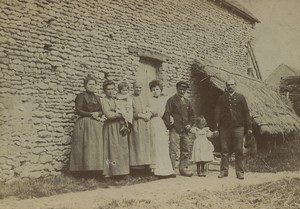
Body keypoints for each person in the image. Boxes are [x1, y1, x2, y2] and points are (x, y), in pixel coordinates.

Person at [213, 79, 252, 180]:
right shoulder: (221, 98)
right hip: (224, 128)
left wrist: (249, 127)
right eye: (228, 85)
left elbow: (246, 113)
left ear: (235, 85)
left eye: (232, 84)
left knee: (238, 150)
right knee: (224, 150)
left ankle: (239, 172)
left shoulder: (241, 98)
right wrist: (216, 128)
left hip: (238, 127)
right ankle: (223, 171)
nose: (230, 86)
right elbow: (217, 113)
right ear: (226, 86)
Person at [69, 75, 106, 177]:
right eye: (90, 84)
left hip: (95, 124)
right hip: (84, 123)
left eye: (93, 84)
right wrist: (91, 114)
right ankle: (82, 171)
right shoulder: (81, 96)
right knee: (84, 146)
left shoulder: (98, 98)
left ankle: (95, 171)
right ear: (85, 86)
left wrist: (98, 114)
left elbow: (103, 110)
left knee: (95, 147)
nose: (92, 86)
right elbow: (78, 110)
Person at [163, 81, 195, 177]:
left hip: (185, 130)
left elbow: (192, 115)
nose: (182, 91)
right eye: (180, 89)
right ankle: (171, 169)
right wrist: (170, 124)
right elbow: (167, 113)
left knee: (185, 150)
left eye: (184, 90)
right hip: (175, 129)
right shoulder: (171, 100)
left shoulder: (187, 102)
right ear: (177, 89)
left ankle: (183, 169)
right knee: (173, 150)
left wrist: (190, 124)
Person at [101, 80, 130, 177]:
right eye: (108, 89)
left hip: (119, 125)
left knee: (121, 147)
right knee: (111, 148)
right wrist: (121, 114)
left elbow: (125, 108)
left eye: (112, 89)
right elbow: (108, 114)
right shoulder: (103, 100)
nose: (110, 91)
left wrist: (123, 115)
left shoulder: (116, 99)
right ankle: (110, 172)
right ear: (105, 90)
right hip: (110, 126)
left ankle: (122, 171)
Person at [148, 80, 176, 178]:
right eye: (153, 90)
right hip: (152, 122)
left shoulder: (164, 99)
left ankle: (167, 170)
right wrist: (151, 112)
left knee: (163, 145)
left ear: (160, 90)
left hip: (160, 123)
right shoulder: (149, 100)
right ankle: (154, 170)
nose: (155, 91)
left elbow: (167, 111)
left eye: (157, 89)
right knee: (154, 145)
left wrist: (171, 116)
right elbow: (148, 110)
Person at [129, 81, 155, 173]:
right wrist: (140, 115)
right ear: (133, 88)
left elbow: (150, 108)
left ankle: (146, 166)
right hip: (136, 123)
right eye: (136, 87)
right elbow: (129, 112)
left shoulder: (145, 98)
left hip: (146, 124)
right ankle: (136, 169)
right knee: (137, 144)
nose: (138, 89)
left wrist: (148, 114)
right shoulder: (130, 98)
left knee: (146, 145)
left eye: (140, 88)